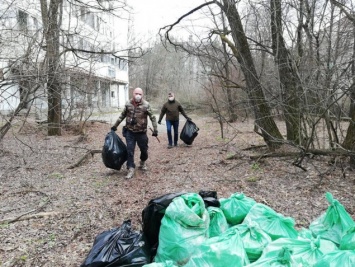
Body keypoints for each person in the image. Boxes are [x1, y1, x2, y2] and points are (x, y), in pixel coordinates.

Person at [111, 87, 158, 179]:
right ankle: (131, 168)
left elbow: (152, 117)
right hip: (130, 132)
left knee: (144, 150)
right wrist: (115, 126)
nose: (138, 95)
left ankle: (142, 161)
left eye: (140, 94)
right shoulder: (128, 104)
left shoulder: (146, 105)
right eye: (136, 93)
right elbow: (122, 116)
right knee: (130, 151)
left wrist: (155, 129)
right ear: (133, 93)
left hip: (141, 133)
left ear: (142, 95)